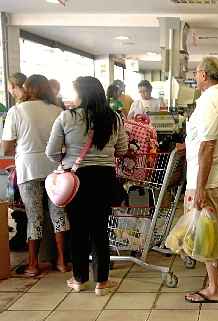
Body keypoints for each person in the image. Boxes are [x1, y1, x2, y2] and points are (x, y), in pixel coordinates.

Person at [46, 76, 128, 296]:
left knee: (79, 230)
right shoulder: (115, 118)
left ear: (81, 94)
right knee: (100, 229)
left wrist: (66, 158)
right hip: (104, 178)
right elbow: (122, 149)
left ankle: (79, 279)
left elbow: (51, 152)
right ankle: (102, 282)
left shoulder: (67, 117)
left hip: (77, 179)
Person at [183, 57, 218, 303]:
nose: (195, 77)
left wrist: (200, 187)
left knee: (205, 231)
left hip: (209, 179)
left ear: (204, 75)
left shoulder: (208, 102)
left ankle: (214, 289)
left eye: (196, 73)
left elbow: (207, 147)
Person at [2, 74, 69, 277]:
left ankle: (32, 264)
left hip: (29, 169)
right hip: (55, 169)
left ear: (27, 88)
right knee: (58, 214)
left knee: (34, 217)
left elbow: (6, 147)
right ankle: (62, 261)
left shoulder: (17, 111)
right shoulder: (59, 111)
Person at [5, 72, 28, 252]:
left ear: (13, 86)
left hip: (26, 165)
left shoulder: (16, 110)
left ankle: (23, 239)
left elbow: (6, 147)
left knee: (22, 205)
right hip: (49, 166)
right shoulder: (51, 107)